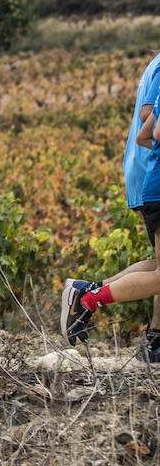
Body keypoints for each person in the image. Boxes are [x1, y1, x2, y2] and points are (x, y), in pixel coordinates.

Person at [64, 93, 160, 345]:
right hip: (158, 189)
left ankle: (88, 293)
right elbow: (157, 132)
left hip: (154, 186)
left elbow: (144, 136)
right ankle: (88, 299)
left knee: (157, 266)